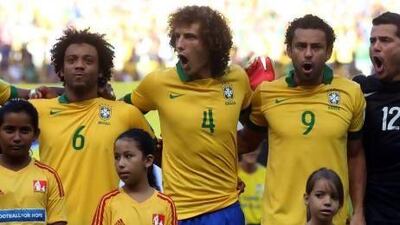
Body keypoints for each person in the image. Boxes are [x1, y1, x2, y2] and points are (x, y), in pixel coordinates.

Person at [123, 5, 252, 224]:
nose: (179, 44)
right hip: (178, 212)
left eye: (190, 37)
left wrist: (226, 160)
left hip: (225, 207)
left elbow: (255, 126)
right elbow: (123, 110)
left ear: (212, 44)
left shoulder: (237, 79)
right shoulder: (159, 83)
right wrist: (150, 141)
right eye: (177, 37)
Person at [238, 14, 366, 225]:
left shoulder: (351, 93)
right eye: (300, 46)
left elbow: (355, 154)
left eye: (316, 47)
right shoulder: (267, 93)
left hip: (331, 219)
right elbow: (246, 142)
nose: (308, 54)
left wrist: (359, 210)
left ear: (328, 52)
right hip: (278, 220)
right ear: (288, 50)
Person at [29, 28, 154, 225]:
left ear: (101, 70)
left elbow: (156, 159)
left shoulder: (125, 113)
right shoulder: (37, 110)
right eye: (72, 60)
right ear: (60, 69)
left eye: (88, 61)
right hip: (52, 221)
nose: (79, 65)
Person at [352, 11, 400, 225]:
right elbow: (355, 154)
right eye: (373, 41)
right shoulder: (361, 92)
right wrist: (358, 212)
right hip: (376, 213)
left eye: (385, 40)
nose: (376, 47)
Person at [0, 99, 67, 225]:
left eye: (24, 131)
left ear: (36, 134)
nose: (17, 138)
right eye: (9, 130)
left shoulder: (49, 176)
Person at [91, 128, 177, 225]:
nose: (120, 164)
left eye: (128, 156)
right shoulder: (108, 203)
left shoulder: (166, 204)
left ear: (148, 160)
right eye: (117, 157)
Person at [238, 146, 266, 225]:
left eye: (254, 147)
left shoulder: (267, 175)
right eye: (248, 147)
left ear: (260, 149)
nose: (251, 151)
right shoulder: (232, 173)